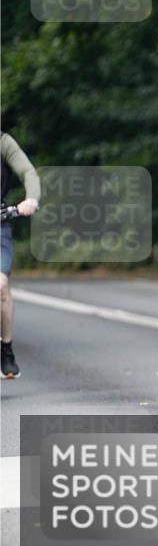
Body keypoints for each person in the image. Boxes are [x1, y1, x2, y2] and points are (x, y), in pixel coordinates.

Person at [1, 130, 41, 379]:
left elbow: (28, 172)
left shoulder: (3, 142)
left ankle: (6, 348)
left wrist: (31, 199)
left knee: (1, 286)